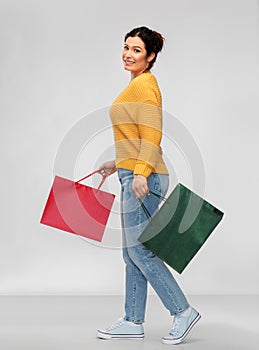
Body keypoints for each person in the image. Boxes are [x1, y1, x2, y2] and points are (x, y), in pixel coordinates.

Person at [96, 26, 201, 345]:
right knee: (131, 253)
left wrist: (140, 172)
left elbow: (153, 133)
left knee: (140, 250)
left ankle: (182, 311)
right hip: (134, 172)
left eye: (137, 50)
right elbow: (136, 135)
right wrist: (118, 163)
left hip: (145, 176)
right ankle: (132, 320)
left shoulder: (146, 84)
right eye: (126, 47)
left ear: (151, 56)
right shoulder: (136, 85)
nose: (128, 54)